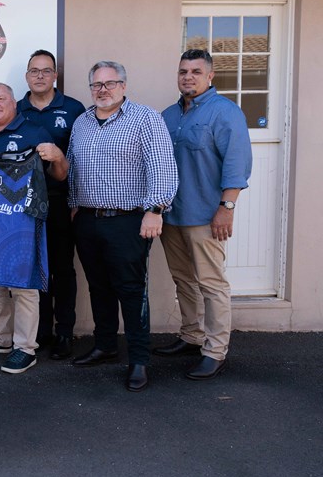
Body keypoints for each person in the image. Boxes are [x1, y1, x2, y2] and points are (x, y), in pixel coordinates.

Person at [67, 61, 178, 392]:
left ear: (124, 86)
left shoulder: (145, 119)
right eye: (96, 84)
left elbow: (162, 166)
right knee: (98, 287)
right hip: (88, 219)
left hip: (128, 220)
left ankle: (140, 359)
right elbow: (73, 168)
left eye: (110, 83)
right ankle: (105, 346)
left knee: (130, 290)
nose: (103, 89)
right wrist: (74, 204)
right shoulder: (82, 123)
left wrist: (155, 210)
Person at [154, 49, 253, 380]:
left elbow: (237, 163)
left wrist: (227, 207)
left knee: (212, 284)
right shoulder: (168, 116)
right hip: (171, 215)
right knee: (184, 281)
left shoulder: (225, 113)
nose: (188, 76)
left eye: (196, 71)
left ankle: (215, 350)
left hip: (207, 216)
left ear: (210, 76)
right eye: (183, 71)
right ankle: (192, 335)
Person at [0, 82, 68, 374]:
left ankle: (24, 348)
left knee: (24, 285)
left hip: (23, 222)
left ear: (13, 103)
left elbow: (59, 176)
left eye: (1, 99)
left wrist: (58, 156)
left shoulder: (34, 133)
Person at [16, 49, 86, 360]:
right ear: (27, 76)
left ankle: (65, 332)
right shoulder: (16, 110)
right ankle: (40, 330)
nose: (40, 75)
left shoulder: (74, 109)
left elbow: (84, 160)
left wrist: (76, 199)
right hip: (25, 206)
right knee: (35, 268)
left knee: (61, 268)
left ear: (54, 75)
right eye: (34, 70)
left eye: (46, 70)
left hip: (61, 202)